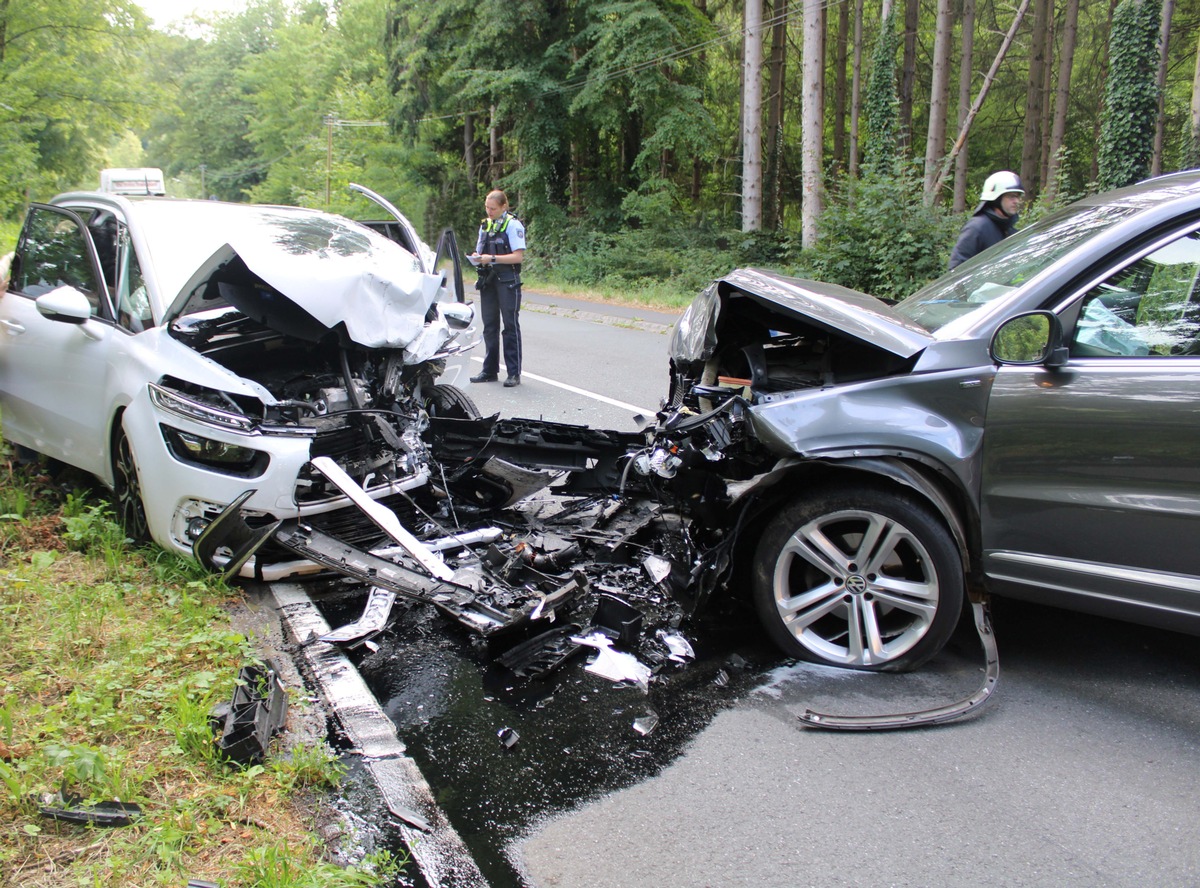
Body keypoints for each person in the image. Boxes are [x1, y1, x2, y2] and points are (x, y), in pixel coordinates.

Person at [468, 190, 526, 387]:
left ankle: (514, 373)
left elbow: (518, 256)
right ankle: (489, 370)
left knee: (510, 326)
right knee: (490, 326)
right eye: (487, 207)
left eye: (493, 208)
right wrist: (477, 257)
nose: (489, 211)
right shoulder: (485, 225)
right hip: (489, 280)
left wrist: (491, 259)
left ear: (503, 207)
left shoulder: (513, 225)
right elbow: (481, 251)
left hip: (507, 279)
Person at [948, 170, 1024, 270]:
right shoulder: (977, 228)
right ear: (996, 198)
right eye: (1011, 196)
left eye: (1018, 196)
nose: (1016, 201)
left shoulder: (1009, 230)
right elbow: (956, 270)